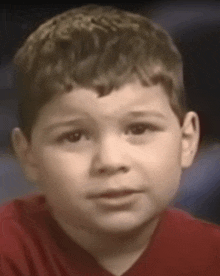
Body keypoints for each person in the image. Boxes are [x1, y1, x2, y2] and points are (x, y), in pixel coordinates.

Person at [0, 4, 219, 276]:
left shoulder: (211, 256)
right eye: (74, 136)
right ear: (28, 155)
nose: (111, 161)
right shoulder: (8, 251)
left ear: (187, 140)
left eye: (139, 129)